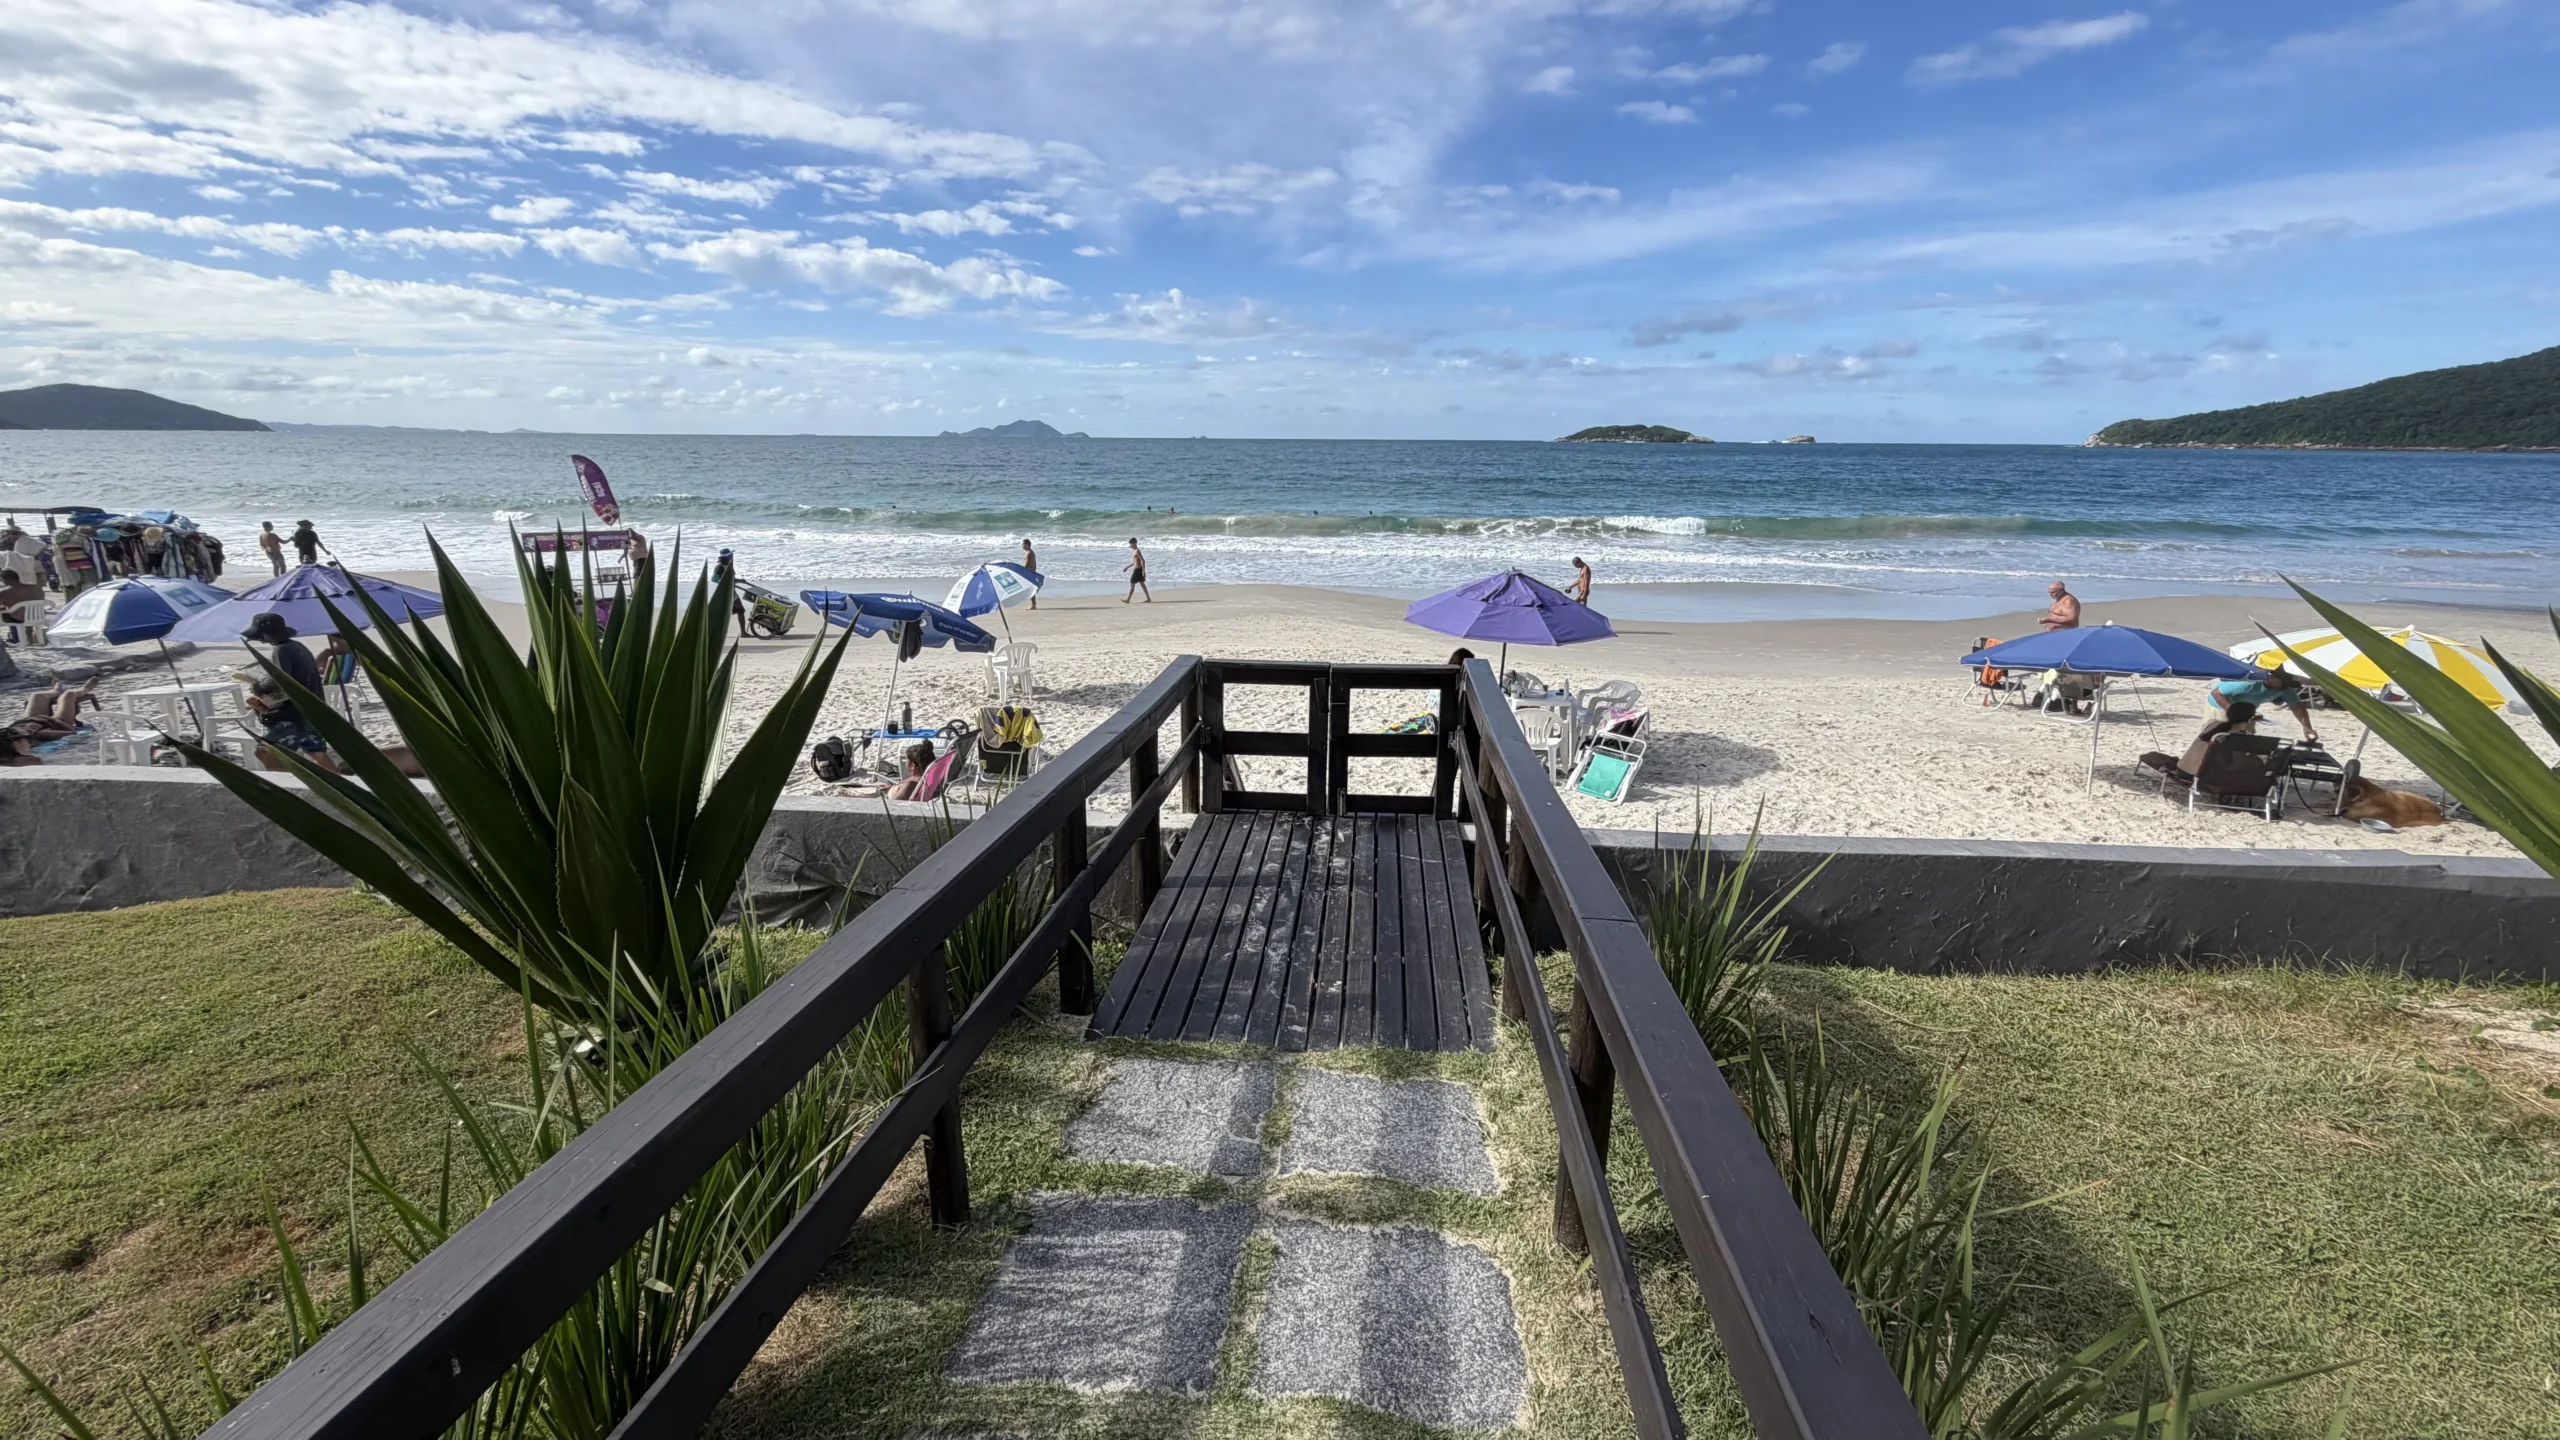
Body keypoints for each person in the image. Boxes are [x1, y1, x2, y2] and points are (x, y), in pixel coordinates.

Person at [241, 612, 331, 768]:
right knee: (316, 752)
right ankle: (340, 781)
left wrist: (259, 686)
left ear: (267, 635)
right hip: (313, 710)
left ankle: (283, 786)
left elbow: (281, 679)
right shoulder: (298, 646)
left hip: (294, 714)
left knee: (266, 752)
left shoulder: (281, 650)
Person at [2210, 665, 2317, 743]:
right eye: (2284, 682)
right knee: (2219, 736)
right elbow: (2216, 693)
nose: (2286, 686)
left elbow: (2298, 708)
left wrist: (2307, 727)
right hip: (2220, 704)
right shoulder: (2247, 683)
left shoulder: (2285, 689)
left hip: (2246, 710)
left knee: (2245, 738)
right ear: (2272, 676)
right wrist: (2235, 712)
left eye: (2288, 684)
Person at [1, 680, 99, 764]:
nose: (27, 742)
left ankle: (56, 691)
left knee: (36, 696)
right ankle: (84, 689)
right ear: (16, 744)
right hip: (54, 722)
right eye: (25, 741)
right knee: (68, 695)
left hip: (27, 719)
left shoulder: (7, 737)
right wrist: (54, 720)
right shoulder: (41, 734)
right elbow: (72, 732)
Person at [2176, 701, 2260, 777]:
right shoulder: (2238, 738)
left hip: (2183, 769)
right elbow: (2237, 764)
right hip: (2201, 777)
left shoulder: (2213, 724)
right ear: (2250, 720)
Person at [713, 548, 751, 637]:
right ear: (726, 557)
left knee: (740, 610)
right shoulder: (720, 567)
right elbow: (714, 579)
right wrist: (725, 584)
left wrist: (740, 581)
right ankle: (742, 632)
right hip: (725, 593)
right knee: (734, 611)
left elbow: (731, 579)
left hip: (731, 592)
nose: (732, 557)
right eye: (730, 555)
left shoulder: (729, 565)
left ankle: (743, 632)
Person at [1121, 537, 1151, 604]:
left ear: (1134, 543)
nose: (1130, 546)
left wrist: (1143, 571)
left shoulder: (1137, 551)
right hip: (1137, 569)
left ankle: (1128, 600)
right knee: (1142, 584)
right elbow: (1134, 562)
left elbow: (1143, 560)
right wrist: (1127, 567)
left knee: (1132, 584)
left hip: (1138, 570)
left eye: (1131, 544)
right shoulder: (1134, 551)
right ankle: (1148, 598)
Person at [1021, 538, 1038, 609]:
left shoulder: (1029, 553)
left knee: (1030, 589)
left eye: (1023, 544)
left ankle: (1033, 604)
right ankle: (1033, 604)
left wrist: (1021, 572)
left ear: (1027, 545)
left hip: (1030, 573)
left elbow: (1027, 565)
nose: (1022, 546)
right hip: (1031, 572)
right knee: (1030, 589)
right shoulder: (1029, 552)